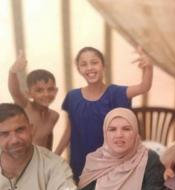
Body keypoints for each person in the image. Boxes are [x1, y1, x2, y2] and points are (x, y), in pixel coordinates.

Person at [55, 46, 153, 181]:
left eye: (94, 62)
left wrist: (148, 67)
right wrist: (55, 156)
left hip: (112, 164)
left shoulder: (116, 93)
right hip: (80, 163)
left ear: (103, 66)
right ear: (78, 69)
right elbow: (70, 129)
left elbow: (144, 86)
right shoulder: (72, 97)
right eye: (84, 64)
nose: (89, 68)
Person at [76, 107, 164, 190]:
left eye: (126, 129)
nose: (119, 135)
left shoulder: (149, 160)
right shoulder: (95, 161)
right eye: (112, 129)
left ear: (136, 132)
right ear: (105, 133)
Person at [0, 103, 77, 190]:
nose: (14, 140)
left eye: (20, 130)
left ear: (31, 129)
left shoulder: (53, 163)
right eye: (4, 134)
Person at [8, 51, 59, 150]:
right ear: (28, 93)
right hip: (22, 158)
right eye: (39, 90)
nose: (46, 94)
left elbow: (48, 139)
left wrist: (49, 158)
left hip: (40, 160)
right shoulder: (25, 107)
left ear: (56, 91)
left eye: (50, 89)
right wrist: (13, 71)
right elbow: (15, 91)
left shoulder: (54, 116)